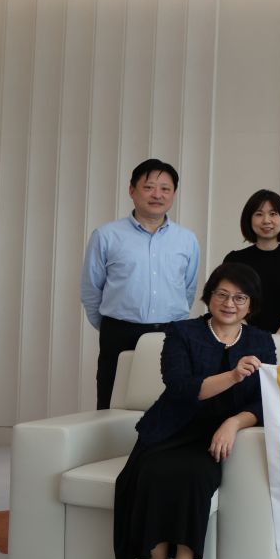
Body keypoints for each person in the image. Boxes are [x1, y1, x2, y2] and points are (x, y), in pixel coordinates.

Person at [112, 262, 276, 559]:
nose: (229, 303)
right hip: (171, 428)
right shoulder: (182, 332)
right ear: (208, 296)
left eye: (240, 297)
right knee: (151, 472)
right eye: (222, 294)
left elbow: (265, 400)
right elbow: (180, 389)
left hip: (214, 436)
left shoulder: (261, 341)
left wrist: (233, 423)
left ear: (251, 304)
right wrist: (233, 375)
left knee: (195, 477)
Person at [81, 158, 201, 409]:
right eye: (149, 187)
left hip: (170, 332)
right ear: (132, 190)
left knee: (168, 402)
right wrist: (110, 326)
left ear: (173, 194)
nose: (157, 195)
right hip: (119, 331)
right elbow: (91, 289)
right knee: (112, 400)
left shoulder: (187, 239)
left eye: (165, 189)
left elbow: (188, 289)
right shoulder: (106, 235)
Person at [222, 189, 280, 335]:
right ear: (249, 219)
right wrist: (254, 338)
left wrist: (276, 340)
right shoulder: (235, 260)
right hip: (244, 339)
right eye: (259, 214)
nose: (266, 220)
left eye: (273, 214)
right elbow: (228, 303)